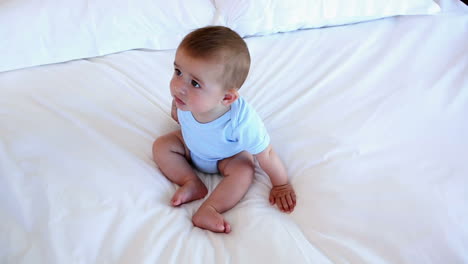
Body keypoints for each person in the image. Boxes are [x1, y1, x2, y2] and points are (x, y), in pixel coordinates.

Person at [153, 26, 296, 234]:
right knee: (162, 146)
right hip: (192, 146)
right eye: (178, 72)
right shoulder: (184, 99)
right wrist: (178, 116)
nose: (179, 86)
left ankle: (209, 208)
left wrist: (281, 184)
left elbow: (267, 154)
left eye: (194, 83)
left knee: (244, 170)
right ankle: (191, 182)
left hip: (227, 157)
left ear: (227, 98)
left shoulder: (241, 121)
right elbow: (180, 118)